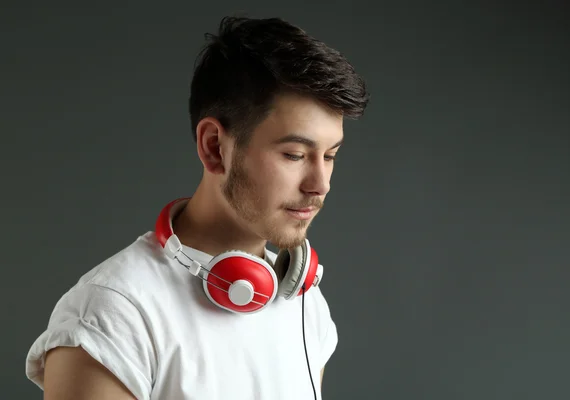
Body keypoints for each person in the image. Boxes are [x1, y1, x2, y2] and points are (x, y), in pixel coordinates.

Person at [25, 15, 369, 400]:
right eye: (294, 154)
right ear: (213, 147)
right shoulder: (110, 315)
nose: (320, 184)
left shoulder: (305, 305)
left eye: (331, 155)